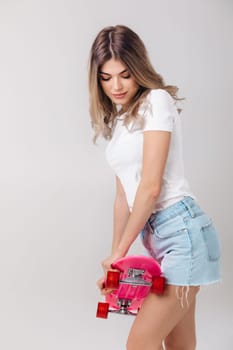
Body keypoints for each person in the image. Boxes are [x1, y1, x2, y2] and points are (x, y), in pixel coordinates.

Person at [88, 24, 221, 350]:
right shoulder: (121, 120)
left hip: (183, 233)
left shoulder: (156, 101)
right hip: (160, 240)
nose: (115, 86)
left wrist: (120, 253)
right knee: (179, 346)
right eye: (106, 78)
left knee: (140, 344)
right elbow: (123, 198)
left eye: (124, 75)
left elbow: (149, 189)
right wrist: (114, 257)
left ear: (138, 69)